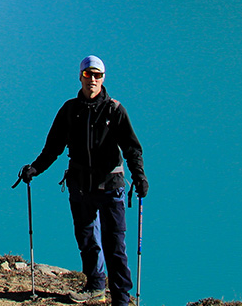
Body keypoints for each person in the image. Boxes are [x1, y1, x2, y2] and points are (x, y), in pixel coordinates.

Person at [18, 55, 146, 306]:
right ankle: (96, 286)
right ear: (80, 76)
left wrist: (139, 176)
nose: (93, 80)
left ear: (103, 78)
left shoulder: (115, 110)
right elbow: (52, 147)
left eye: (98, 75)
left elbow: (132, 149)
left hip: (110, 188)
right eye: (88, 75)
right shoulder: (69, 110)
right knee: (87, 241)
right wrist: (35, 168)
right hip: (80, 188)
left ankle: (120, 299)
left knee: (115, 246)